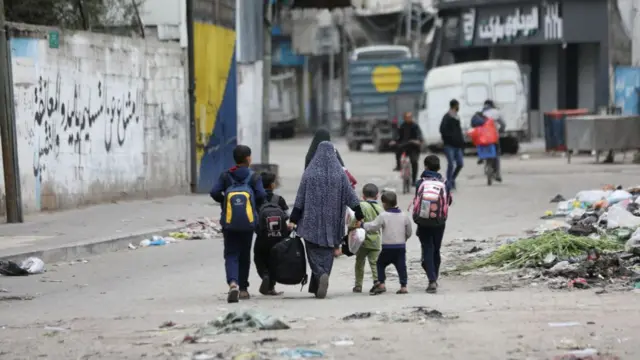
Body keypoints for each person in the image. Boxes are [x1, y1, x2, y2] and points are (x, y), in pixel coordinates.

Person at [290, 141, 364, 299]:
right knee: (328, 252)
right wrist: (359, 214)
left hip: (310, 222)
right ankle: (324, 276)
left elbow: (300, 198)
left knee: (313, 251)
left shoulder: (309, 173)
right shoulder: (339, 174)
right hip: (332, 224)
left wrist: (293, 219)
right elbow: (351, 197)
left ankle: (319, 274)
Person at [210, 145, 267, 303]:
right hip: (248, 222)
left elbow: (214, 192)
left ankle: (233, 283)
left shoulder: (226, 176)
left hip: (229, 222)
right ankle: (243, 289)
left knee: (231, 253)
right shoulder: (254, 177)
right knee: (244, 254)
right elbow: (262, 195)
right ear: (248, 158)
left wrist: (225, 203)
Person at [362, 191, 413, 295]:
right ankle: (403, 286)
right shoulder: (404, 215)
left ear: (384, 204)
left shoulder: (383, 215)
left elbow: (373, 227)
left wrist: (362, 225)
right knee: (401, 266)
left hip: (387, 247)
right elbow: (409, 231)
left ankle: (381, 283)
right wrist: (404, 238)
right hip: (400, 247)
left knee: (380, 264)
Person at [415, 155, 452, 294]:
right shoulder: (445, 182)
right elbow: (448, 201)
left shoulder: (420, 183)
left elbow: (417, 201)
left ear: (425, 166)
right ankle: (434, 277)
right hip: (439, 221)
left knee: (427, 247)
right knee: (436, 249)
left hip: (423, 221)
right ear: (439, 168)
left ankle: (431, 279)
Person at [253, 171, 291, 296]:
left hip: (262, 237)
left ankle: (264, 275)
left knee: (259, 258)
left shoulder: (257, 200)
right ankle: (271, 286)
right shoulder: (279, 200)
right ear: (272, 185)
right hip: (278, 237)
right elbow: (287, 216)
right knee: (275, 260)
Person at [350, 183, 384, 294]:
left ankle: (358, 285)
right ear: (377, 196)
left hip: (362, 240)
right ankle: (377, 282)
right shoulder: (380, 208)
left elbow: (354, 221)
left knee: (359, 263)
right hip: (375, 240)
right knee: (374, 263)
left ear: (363, 196)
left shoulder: (362, 206)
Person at [391, 112, 423, 185]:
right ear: (404, 118)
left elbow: (419, 135)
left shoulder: (415, 126)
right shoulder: (402, 126)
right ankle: (398, 166)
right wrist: (394, 141)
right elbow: (397, 135)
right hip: (404, 146)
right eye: (406, 117)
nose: (408, 119)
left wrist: (418, 140)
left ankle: (414, 180)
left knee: (414, 161)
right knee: (397, 150)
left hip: (413, 147)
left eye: (409, 117)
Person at [439, 99, 464, 190]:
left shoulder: (457, 117)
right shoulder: (447, 117)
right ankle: (448, 183)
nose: (459, 108)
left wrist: (461, 141)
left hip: (457, 145)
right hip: (449, 145)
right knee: (450, 164)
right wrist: (449, 138)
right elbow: (442, 129)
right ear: (455, 106)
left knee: (460, 164)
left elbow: (459, 131)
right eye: (458, 106)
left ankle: (452, 178)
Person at [480, 99, 505, 181]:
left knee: (483, 150)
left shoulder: (482, 113)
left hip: (483, 137)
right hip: (494, 137)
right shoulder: (496, 112)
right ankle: (497, 174)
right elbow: (503, 124)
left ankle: (481, 159)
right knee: (497, 154)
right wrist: (501, 130)